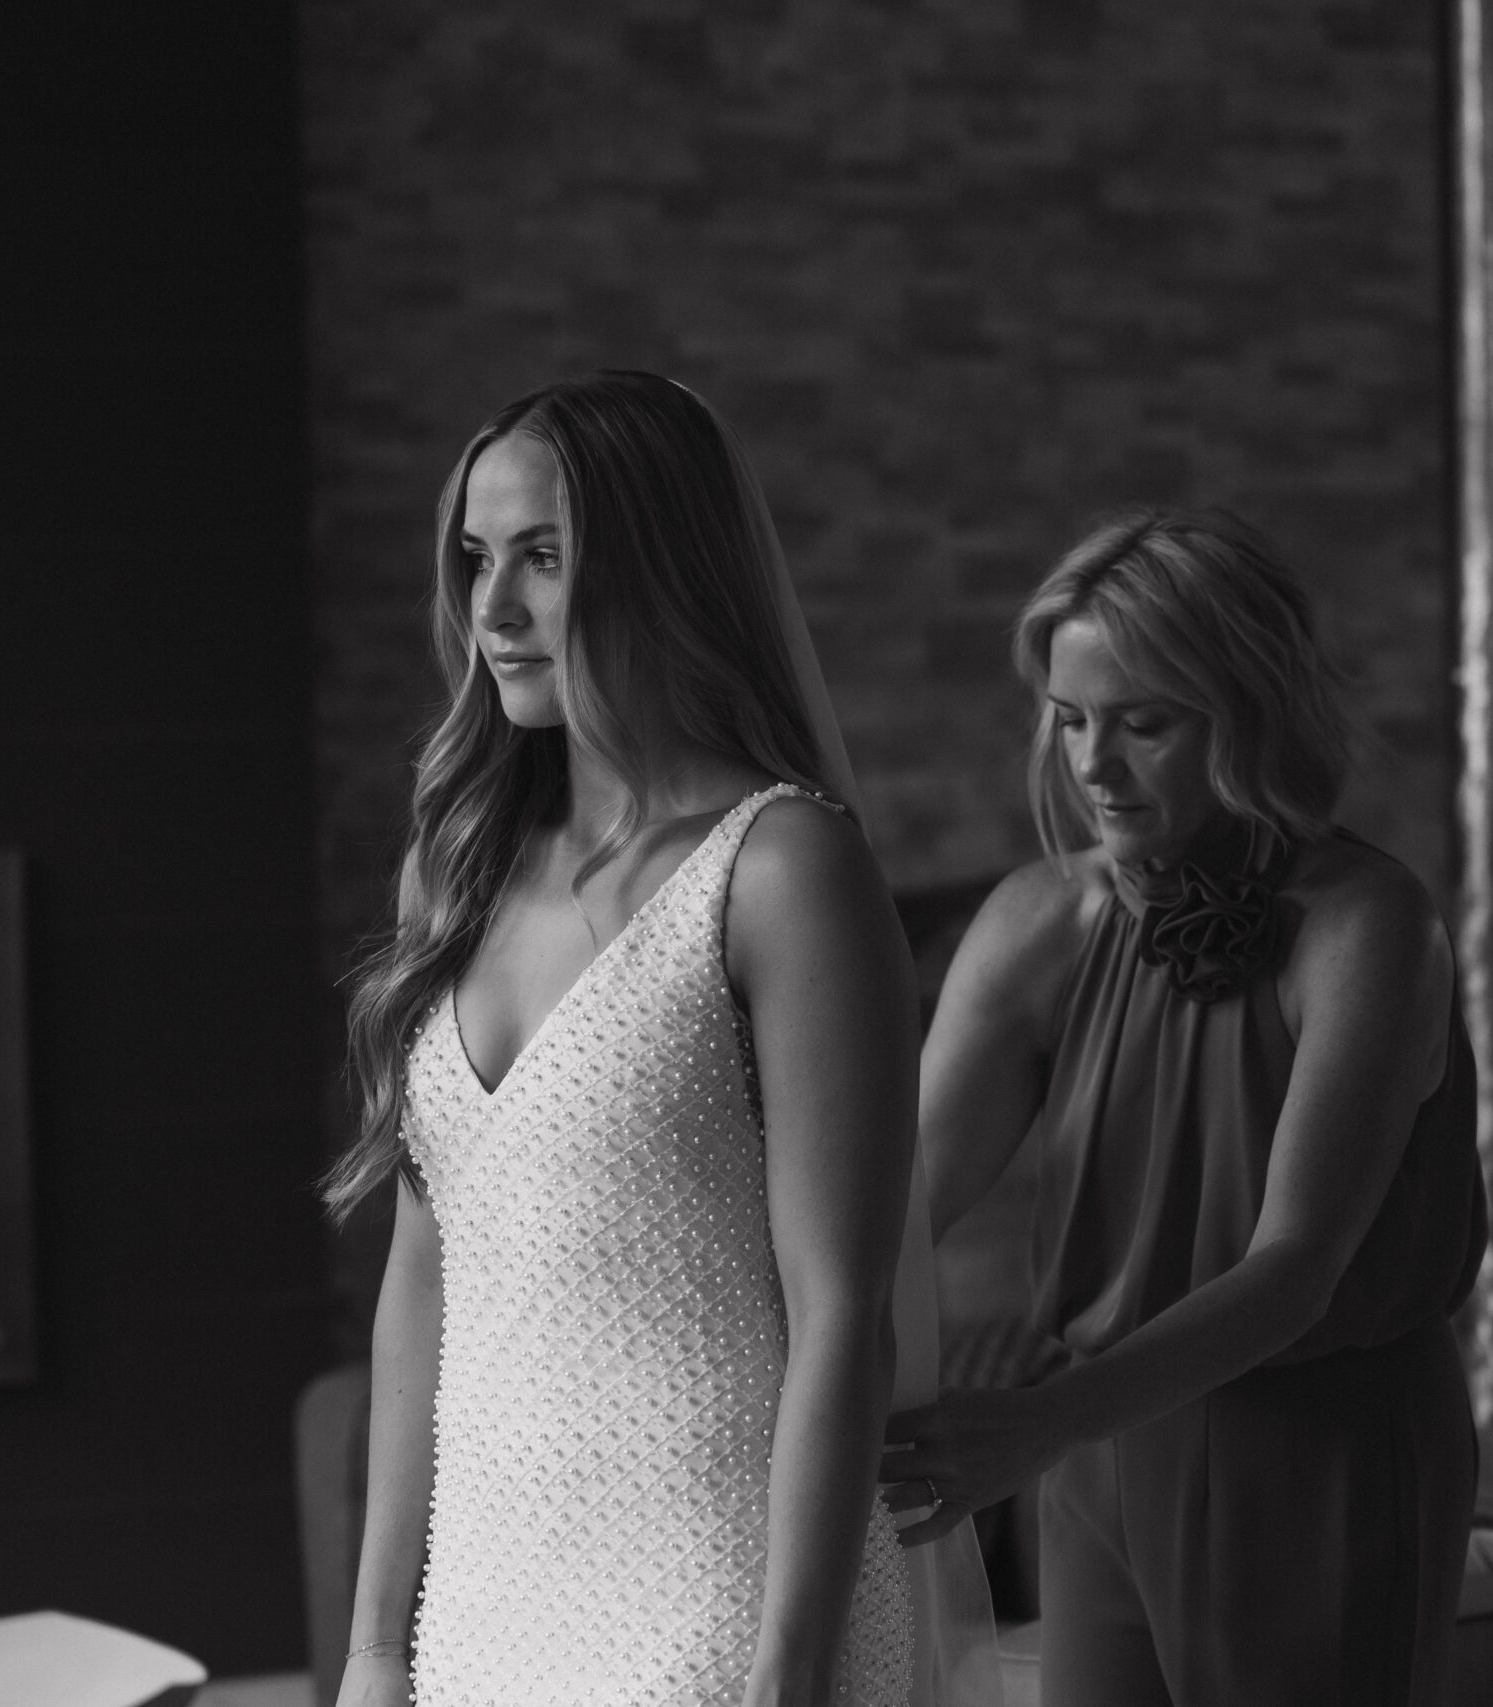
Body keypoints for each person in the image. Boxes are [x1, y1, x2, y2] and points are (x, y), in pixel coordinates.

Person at [321, 372, 993, 1707]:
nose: (493, 611)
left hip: (721, 1598)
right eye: (475, 561)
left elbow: (842, 1309)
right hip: (486, 1600)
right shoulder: (452, 868)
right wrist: (374, 1643)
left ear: (656, 567)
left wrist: (788, 1666)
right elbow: (421, 1282)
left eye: (544, 559)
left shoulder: (783, 868)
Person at [886, 510, 1488, 1705]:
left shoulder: (1366, 928)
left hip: (1318, 1443)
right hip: (1102, 1449)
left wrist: (1034, 1423)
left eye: (1143, 725)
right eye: (1069, 722)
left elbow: (1294, 1267)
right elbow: (889, 1209)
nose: (1093, 766)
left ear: (1250, 715)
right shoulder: (1035, 922)